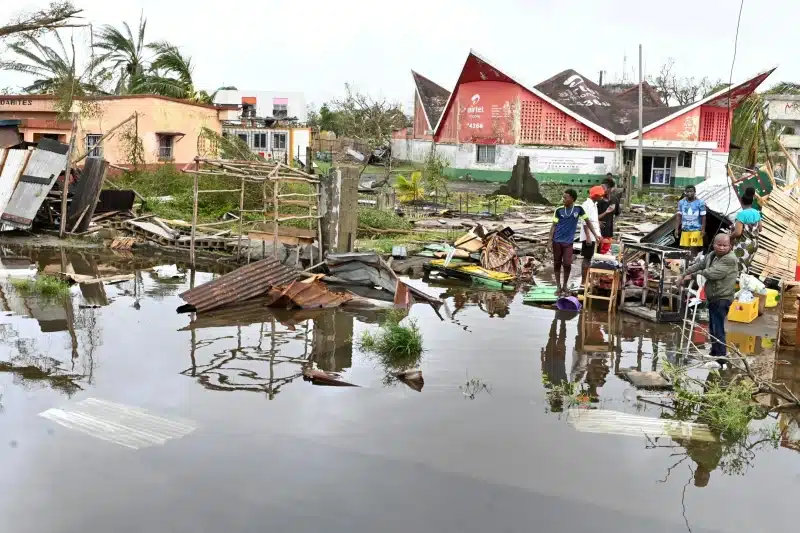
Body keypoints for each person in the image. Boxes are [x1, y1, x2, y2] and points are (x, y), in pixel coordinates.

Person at [680, 234, 738, 365]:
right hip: (713, 296)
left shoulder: (730, 259)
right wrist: (684, 274)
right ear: (714, 245)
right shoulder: (711, 255)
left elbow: (713, 273)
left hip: (723, 297)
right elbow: (699, 265)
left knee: (718, 328)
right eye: (719, 245)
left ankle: (721, 358)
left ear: (730, 246)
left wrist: (693, 276)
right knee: (713, 326)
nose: (722, 248)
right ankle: (714, 352)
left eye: (725, 245)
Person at [550, 189, 600, 296]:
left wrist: (595, 235)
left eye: (565, 198)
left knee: (567, 263)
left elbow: (588, 222)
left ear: (572, 199)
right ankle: (558, 287)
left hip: (568, 242)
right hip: (557, 241)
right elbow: (553, 226)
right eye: (563, 197)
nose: (563, 199)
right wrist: (549, 241)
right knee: (557, 263)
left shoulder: (579, 209)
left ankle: (565, 285)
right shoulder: (558, 210)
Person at [730, 189, 762, 273]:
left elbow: (738, 232)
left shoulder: (741, 214)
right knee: (746, 266)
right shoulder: (757, 213)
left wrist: (729, 237)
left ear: (741, 201)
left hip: (743, 245)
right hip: (754, 244)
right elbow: (760, 229)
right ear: (751, 202)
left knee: (737, 267)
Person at [579, 186, 606, 283]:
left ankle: (588, 279)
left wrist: (598, 234)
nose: (601, 197)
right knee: (587, 258)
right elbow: (584, 221)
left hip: (594, 236)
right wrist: (588, 236)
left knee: (592, 258)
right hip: (589, 236)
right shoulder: (586, 205)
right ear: (595, 195)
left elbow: (594, 222)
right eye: (600, 195)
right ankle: (583, 281)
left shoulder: (594, 205)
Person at [676, 185, 706, 256]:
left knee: (693, 247)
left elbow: (703, 217)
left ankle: (692, 262)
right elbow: (678, 216)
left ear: (695, 192)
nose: (689, 193)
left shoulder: (700, 203)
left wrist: (703, 229)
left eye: (691, 191)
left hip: (696, 230)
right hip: (685, 229)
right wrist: (676, 229)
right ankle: (685, 264)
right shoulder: (681, 203)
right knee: (685, 248)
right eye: (687, 192)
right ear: (685, 192)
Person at [597, 176, 621, 242]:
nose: (601, 190)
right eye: (601, 187)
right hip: (598, 231)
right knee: (598, 250)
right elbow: (590, 216)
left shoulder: (614, 200)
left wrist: (614, 222)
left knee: (606, 248)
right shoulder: (598, 200)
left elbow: (618, 214)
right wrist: (597, 222)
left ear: (610, 189)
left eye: (603, 188)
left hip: (609, 232)